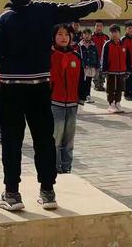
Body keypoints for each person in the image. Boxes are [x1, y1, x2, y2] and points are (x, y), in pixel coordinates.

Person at [0, 0, 120, 212]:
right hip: (40, 87)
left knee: (12, 141)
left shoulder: (4, 19)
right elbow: (72, 10)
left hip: (12, 89)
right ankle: (47, 192)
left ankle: (12, 193)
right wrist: (99, 3)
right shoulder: (43, 11)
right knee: (44, 140)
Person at [50, 24, 84, 174]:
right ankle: (55, 167)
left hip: (72, 104)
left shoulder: (76, 56)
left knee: (69, 140)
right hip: (54, 103)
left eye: (66, 35)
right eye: (60, 34)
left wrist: (81, 99)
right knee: (55, 139)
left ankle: (67, 167)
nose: (63, 37)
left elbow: (82, 80)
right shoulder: (49, 56)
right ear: (53, 37)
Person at [101, 24, 130, 114]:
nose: (114, 34)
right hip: (111, 71)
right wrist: (104, 70)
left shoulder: (124, 44)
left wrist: (127, 70)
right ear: (110, 33)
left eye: (116, 32)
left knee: (120, 88)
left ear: (119, 33)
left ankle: (117, 103)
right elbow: (104, 58)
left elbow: (127, 58)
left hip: (121, 71)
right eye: (112, 32)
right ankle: (111, 104)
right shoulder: (107, 45)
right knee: (111, 88)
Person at [78, 28, 98, 104]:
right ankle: (81, 96)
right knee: (82, 81)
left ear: (91, 35)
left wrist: (97, 66)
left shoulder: (93, 45)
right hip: (82, 67)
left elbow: (96, 56)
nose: (87, 36)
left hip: (91, 67)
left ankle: (88, 95)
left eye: (89, 34)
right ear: (82, 35)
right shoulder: (79, 46)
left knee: (89, 82)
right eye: (85, 34)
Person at [92, 20, 109, 92]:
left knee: (102, 72)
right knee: (96, 72)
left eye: (101, 26)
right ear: (94, 27)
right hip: (94, 57)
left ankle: (101, 84)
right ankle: (96, 85)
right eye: (97, 26)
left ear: (103, 27)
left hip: (103, 58)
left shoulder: (106, 37)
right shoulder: (91, 36)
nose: (99, 27)